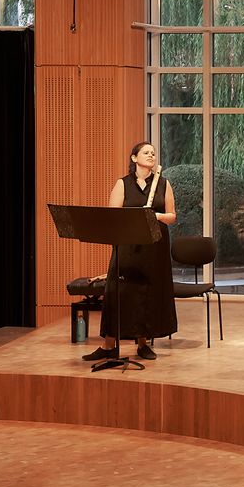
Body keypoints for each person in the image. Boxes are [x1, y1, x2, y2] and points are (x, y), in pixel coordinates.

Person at [83, 142, 178, 362]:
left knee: (147, 294)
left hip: (155, 247)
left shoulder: (163, 183)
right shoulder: (123, 184)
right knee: (119, 292)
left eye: (153, 153)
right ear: (134, 158)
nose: (151, 155)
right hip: (128, 247)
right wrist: (137, 216)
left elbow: (172, 215)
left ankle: (143, 343)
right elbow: (113, 216)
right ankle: (108, 345)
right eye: (146, 152)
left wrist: (154, 216)